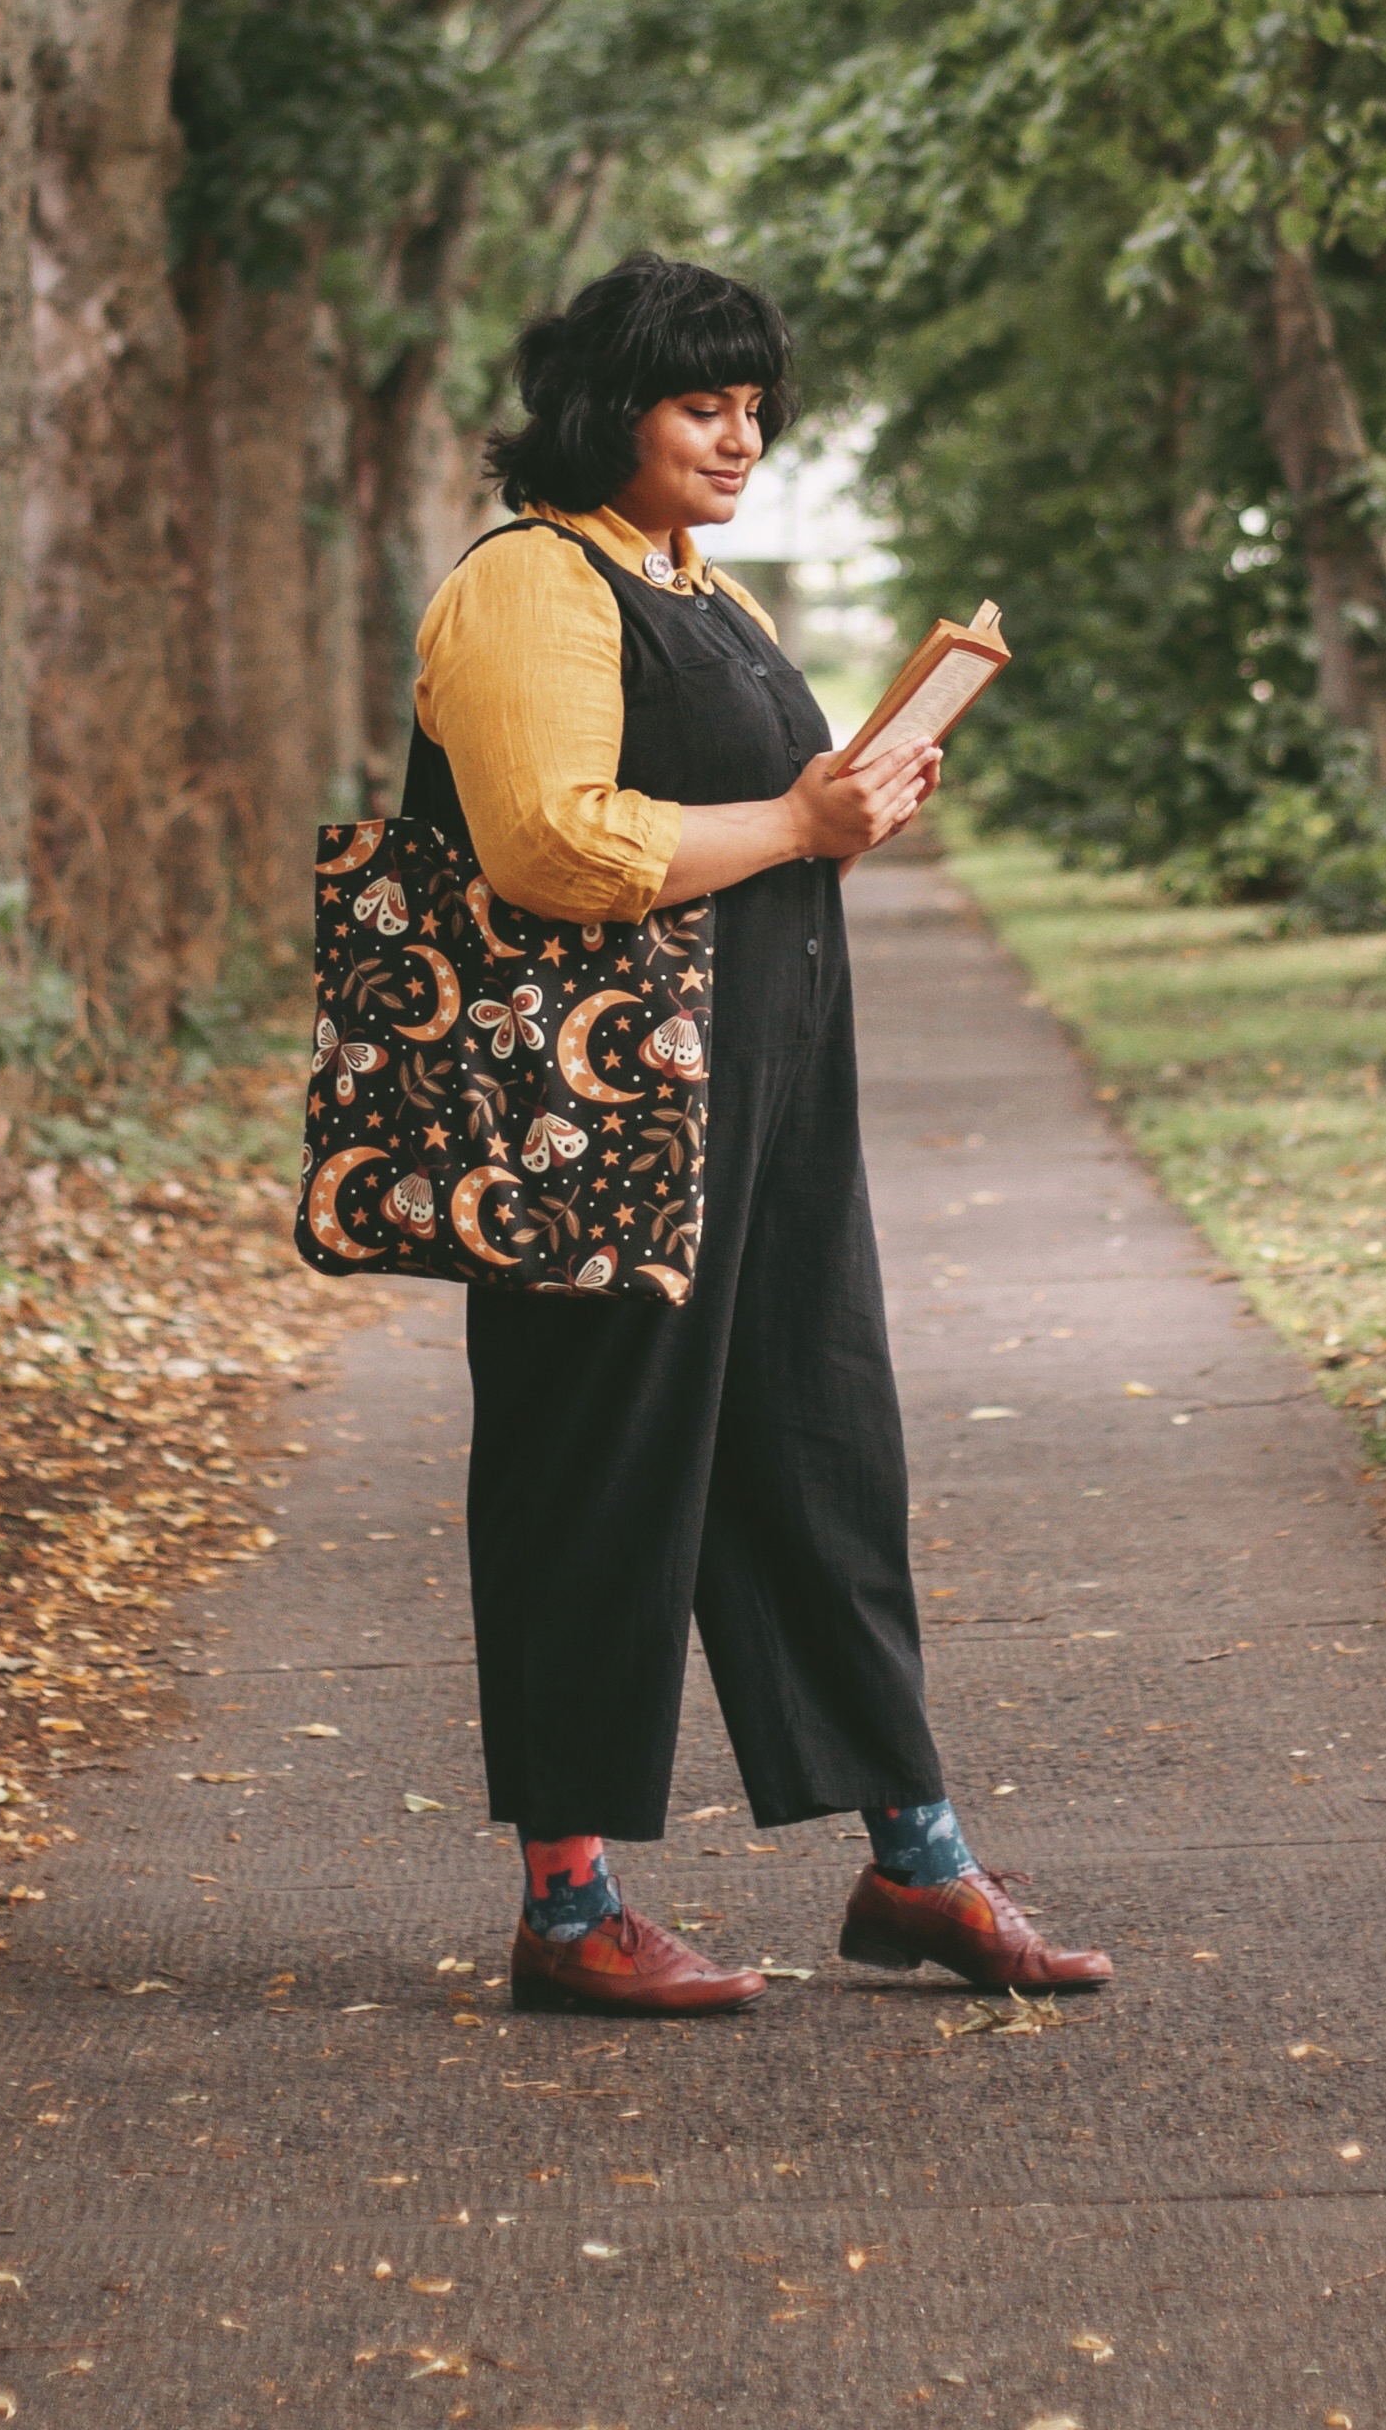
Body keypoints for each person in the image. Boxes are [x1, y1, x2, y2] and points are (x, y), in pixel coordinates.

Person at [408, 251, 1115, 2018]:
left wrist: (843, 810)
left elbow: (755, 824)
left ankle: (918, 1861)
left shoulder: (699, 588)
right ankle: (568, 1908)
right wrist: (798, 820)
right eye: (700, 406)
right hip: (606, 1118)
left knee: (818, 1457)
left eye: (754, 410)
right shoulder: (529, 586)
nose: (739, 439)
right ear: (608, 412)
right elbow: (552, 847)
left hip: (773, 1095)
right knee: (601, 1478)